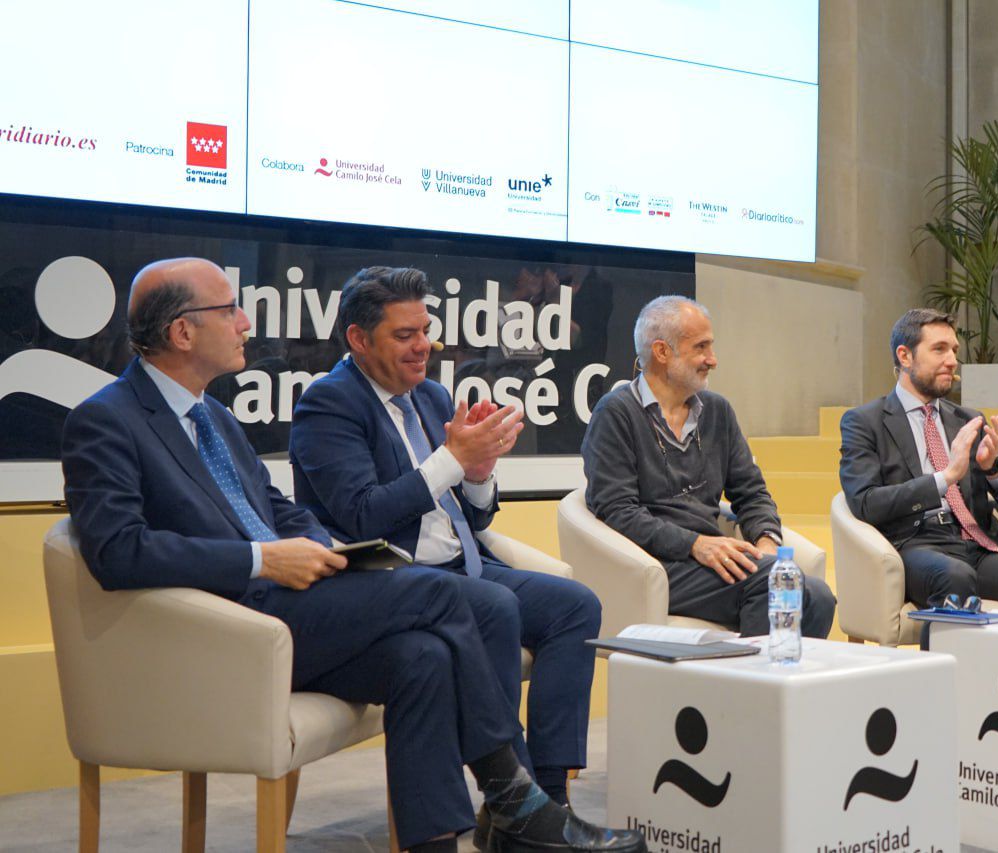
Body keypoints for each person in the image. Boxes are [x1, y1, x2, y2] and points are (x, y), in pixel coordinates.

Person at [60, 258, 644, 853]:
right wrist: (263, 561)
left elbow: (276, 507)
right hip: (231, 627)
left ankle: (446, 837)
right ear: (183, 332)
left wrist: (320, 548)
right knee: (448, 594)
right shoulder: (105, 421)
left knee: (422, 659)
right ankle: (515, 801)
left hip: (290, 604)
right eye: (228, 309)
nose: (244, 322)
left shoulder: (212, 415)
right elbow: (118, 551)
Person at [289, 265, 601, 811]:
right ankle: (512, 800)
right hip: (395, 579)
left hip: (464, 562)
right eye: (404, 335)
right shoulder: (329, 404)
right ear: (359, 340)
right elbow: (361, 515)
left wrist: (477, 474)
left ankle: (551, 797)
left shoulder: (431, 398)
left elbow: (473, 519)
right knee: (496, 605)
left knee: (575, 607)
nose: (423, 346)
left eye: (425, 331)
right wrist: (451, 460)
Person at [580, 295, 835, 637]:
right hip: (654, 563)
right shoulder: (616, 413)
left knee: (820, 595)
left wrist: (766, 542)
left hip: (709, 559)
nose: (712, 360)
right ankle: (749, 689)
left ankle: (785, 689)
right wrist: (694, 544)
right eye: (701, 348)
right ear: (662, 352)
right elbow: (618, 511)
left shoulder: (717, 411)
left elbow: (751, 491)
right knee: (771, 585)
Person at [839, 307, 998, 611]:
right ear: (905, 356)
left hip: (979, 546)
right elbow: (865, 503)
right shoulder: (864, 421)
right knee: (955, 577)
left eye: (954, 350)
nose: (952, 361)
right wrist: (944, 479)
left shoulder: (968, 420)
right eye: (939, 350)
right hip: (917, 546)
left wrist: (993, 469)